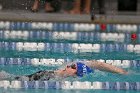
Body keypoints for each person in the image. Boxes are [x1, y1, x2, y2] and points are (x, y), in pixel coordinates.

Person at [0, 60, 128, 81]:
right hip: (41, 76)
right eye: (71, 65)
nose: (68, 66)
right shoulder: (56, 75)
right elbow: (97, 64)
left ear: (76, 74)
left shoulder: (62, 79)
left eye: (73, 67)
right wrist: (121, 71)